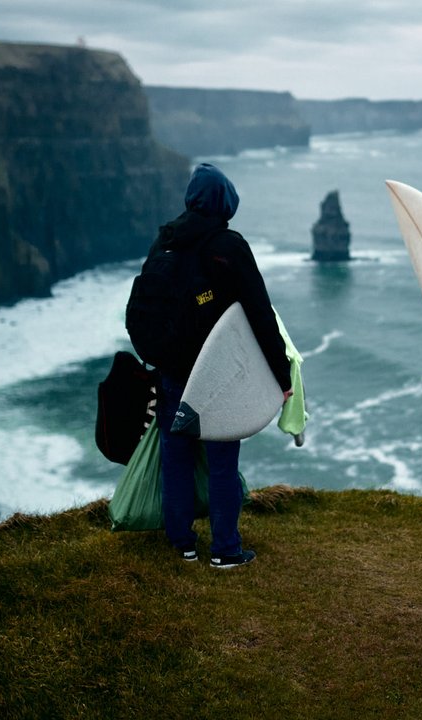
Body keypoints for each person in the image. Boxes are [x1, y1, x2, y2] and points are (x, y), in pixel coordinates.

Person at [149, 163, 292, 569]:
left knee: (175, 456)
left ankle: (183, 543)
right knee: (222, 464)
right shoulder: (228, 246)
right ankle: (226, 549)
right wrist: (281, 377)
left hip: (173, 372)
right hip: (217, 374)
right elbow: (261, 315)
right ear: (225, 202)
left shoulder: (165, 241)